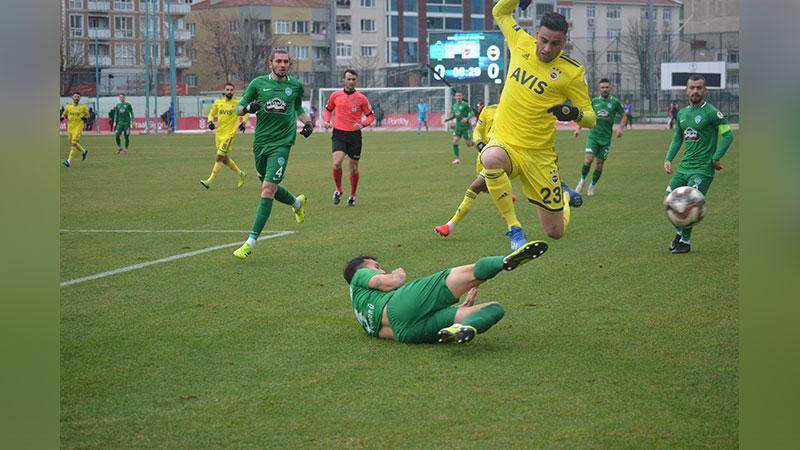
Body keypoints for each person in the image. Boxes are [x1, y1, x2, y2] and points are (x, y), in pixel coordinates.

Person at [483, 3, 596, 250]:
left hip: (540, 156)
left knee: (555, 232)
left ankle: (564, 195)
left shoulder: (572, 73)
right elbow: (500, 12)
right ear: (536, 35)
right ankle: (515, 229)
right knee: (490, 159)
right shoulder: (520, 42)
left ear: (565, 42)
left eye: (555, 44)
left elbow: (591, 117)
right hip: (506, 144)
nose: (547, 48)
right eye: (543, 40)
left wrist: (574, 113)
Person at [343, 240, 548, 344]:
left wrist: (458, 308)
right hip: (398, 305)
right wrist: (398, 275)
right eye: (376, 266)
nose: (381, 270)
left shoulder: (360, 312)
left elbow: (391, 326)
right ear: (362, 268)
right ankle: (504, 261)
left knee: (494, 309)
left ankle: (463, 328)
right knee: (467, 274)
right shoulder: (359, 277)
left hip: (406, 334)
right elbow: (391, 282)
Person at [232, 49, 314, 260]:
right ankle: (297, 203)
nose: (282, 65)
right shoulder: (258, 84)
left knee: (267, 189)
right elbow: (238, 109)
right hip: (260, 144)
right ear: (270, 63)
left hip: (282, 144)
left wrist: (308, 123)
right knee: (269, 185)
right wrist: (248, 107)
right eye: (278, 61)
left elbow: (298, 110)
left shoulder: (295, 86)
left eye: (286, 61)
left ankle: (250, 242)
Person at [663, 74, 733, 254]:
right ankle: (679, 232)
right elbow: (678, 137)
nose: (695, 91)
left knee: (689, 203)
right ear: (686, 90)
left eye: (699, 88)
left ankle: (685, 242)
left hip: (702, 170)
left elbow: (728, 135)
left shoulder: (712, 112)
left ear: (705, 90)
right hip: (684, 167)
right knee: (669, 200)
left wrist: (715, 158)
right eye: (692, 88)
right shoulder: (683, 114)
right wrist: (668, 159)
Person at [434, 102, 514, 237]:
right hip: (485, 153)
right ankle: (506, 198)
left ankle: (449, 225)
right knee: (484, 187)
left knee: (475, 187)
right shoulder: (488, 110)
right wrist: (480, 143)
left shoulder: (514, 110)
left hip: (503, 154)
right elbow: (478, 129)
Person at [323, 69, 375, 207]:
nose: (351, 82)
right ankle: (338, 190)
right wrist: (327, 121)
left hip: (354, 136)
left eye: (353, 79)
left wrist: (363, 124)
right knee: (336, 162)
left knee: (353, 168)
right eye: (348, 79)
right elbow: (328, 110)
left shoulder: (361, 98)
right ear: (344, 80)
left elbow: (371, 116)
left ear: (356, 81)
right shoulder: (336, 95)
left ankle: (352, 195)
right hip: (339, 134)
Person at [573, 77, 627, 196]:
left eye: (607, 87)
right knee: (588, 160)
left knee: (599, 164)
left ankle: (592, 186)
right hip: (593, 136)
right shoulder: (594, 102)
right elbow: (585, 115)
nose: (605, 89)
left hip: (606, 140)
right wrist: (578, 128)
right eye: (602, 87)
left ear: (610, 88)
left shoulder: (615, 102)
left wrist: (620, 128)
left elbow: (624, 116)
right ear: (599, 88)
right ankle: (581, 181)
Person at [199, 82, 250, 189]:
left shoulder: (238, 103)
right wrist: (210, 122)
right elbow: (211, 114)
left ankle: (210, 180)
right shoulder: (218, 102)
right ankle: (241, 174)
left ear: (234, 91)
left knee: (219, 156)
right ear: (224, 91)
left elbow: (246, 112)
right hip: (219, 134)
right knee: (225, 159)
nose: (229, 92)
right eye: (227, 90)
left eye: (231, 90)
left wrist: (244, 123)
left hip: (229, 134)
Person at [443, 91, 474, 164]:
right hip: (458, 127)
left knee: (469, 144)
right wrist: (448, 119)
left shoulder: (465, 105)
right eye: (457, 96)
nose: (458, 97)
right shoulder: (454, 106)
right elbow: (455, 115)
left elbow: (472, 112)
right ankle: (456, 159)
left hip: (466, 127)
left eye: (460, 95)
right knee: (454, 141)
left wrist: (467, 118)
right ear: (455, 97)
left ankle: (477, 144)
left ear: (462, 97)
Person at [61, 92, 90, 167]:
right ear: (72, 98)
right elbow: (64, 114)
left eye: (78, 97)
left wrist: (85, 117)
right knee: (74, 143)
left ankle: (68, 161)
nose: (77, 98)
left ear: (79, 98)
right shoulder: (68, 107)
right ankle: (84, 151)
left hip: (78, 128)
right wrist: (62, 117)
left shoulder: (83, 107)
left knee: (73, 143)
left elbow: (88, 115)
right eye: (75, 96)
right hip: (70, 128)